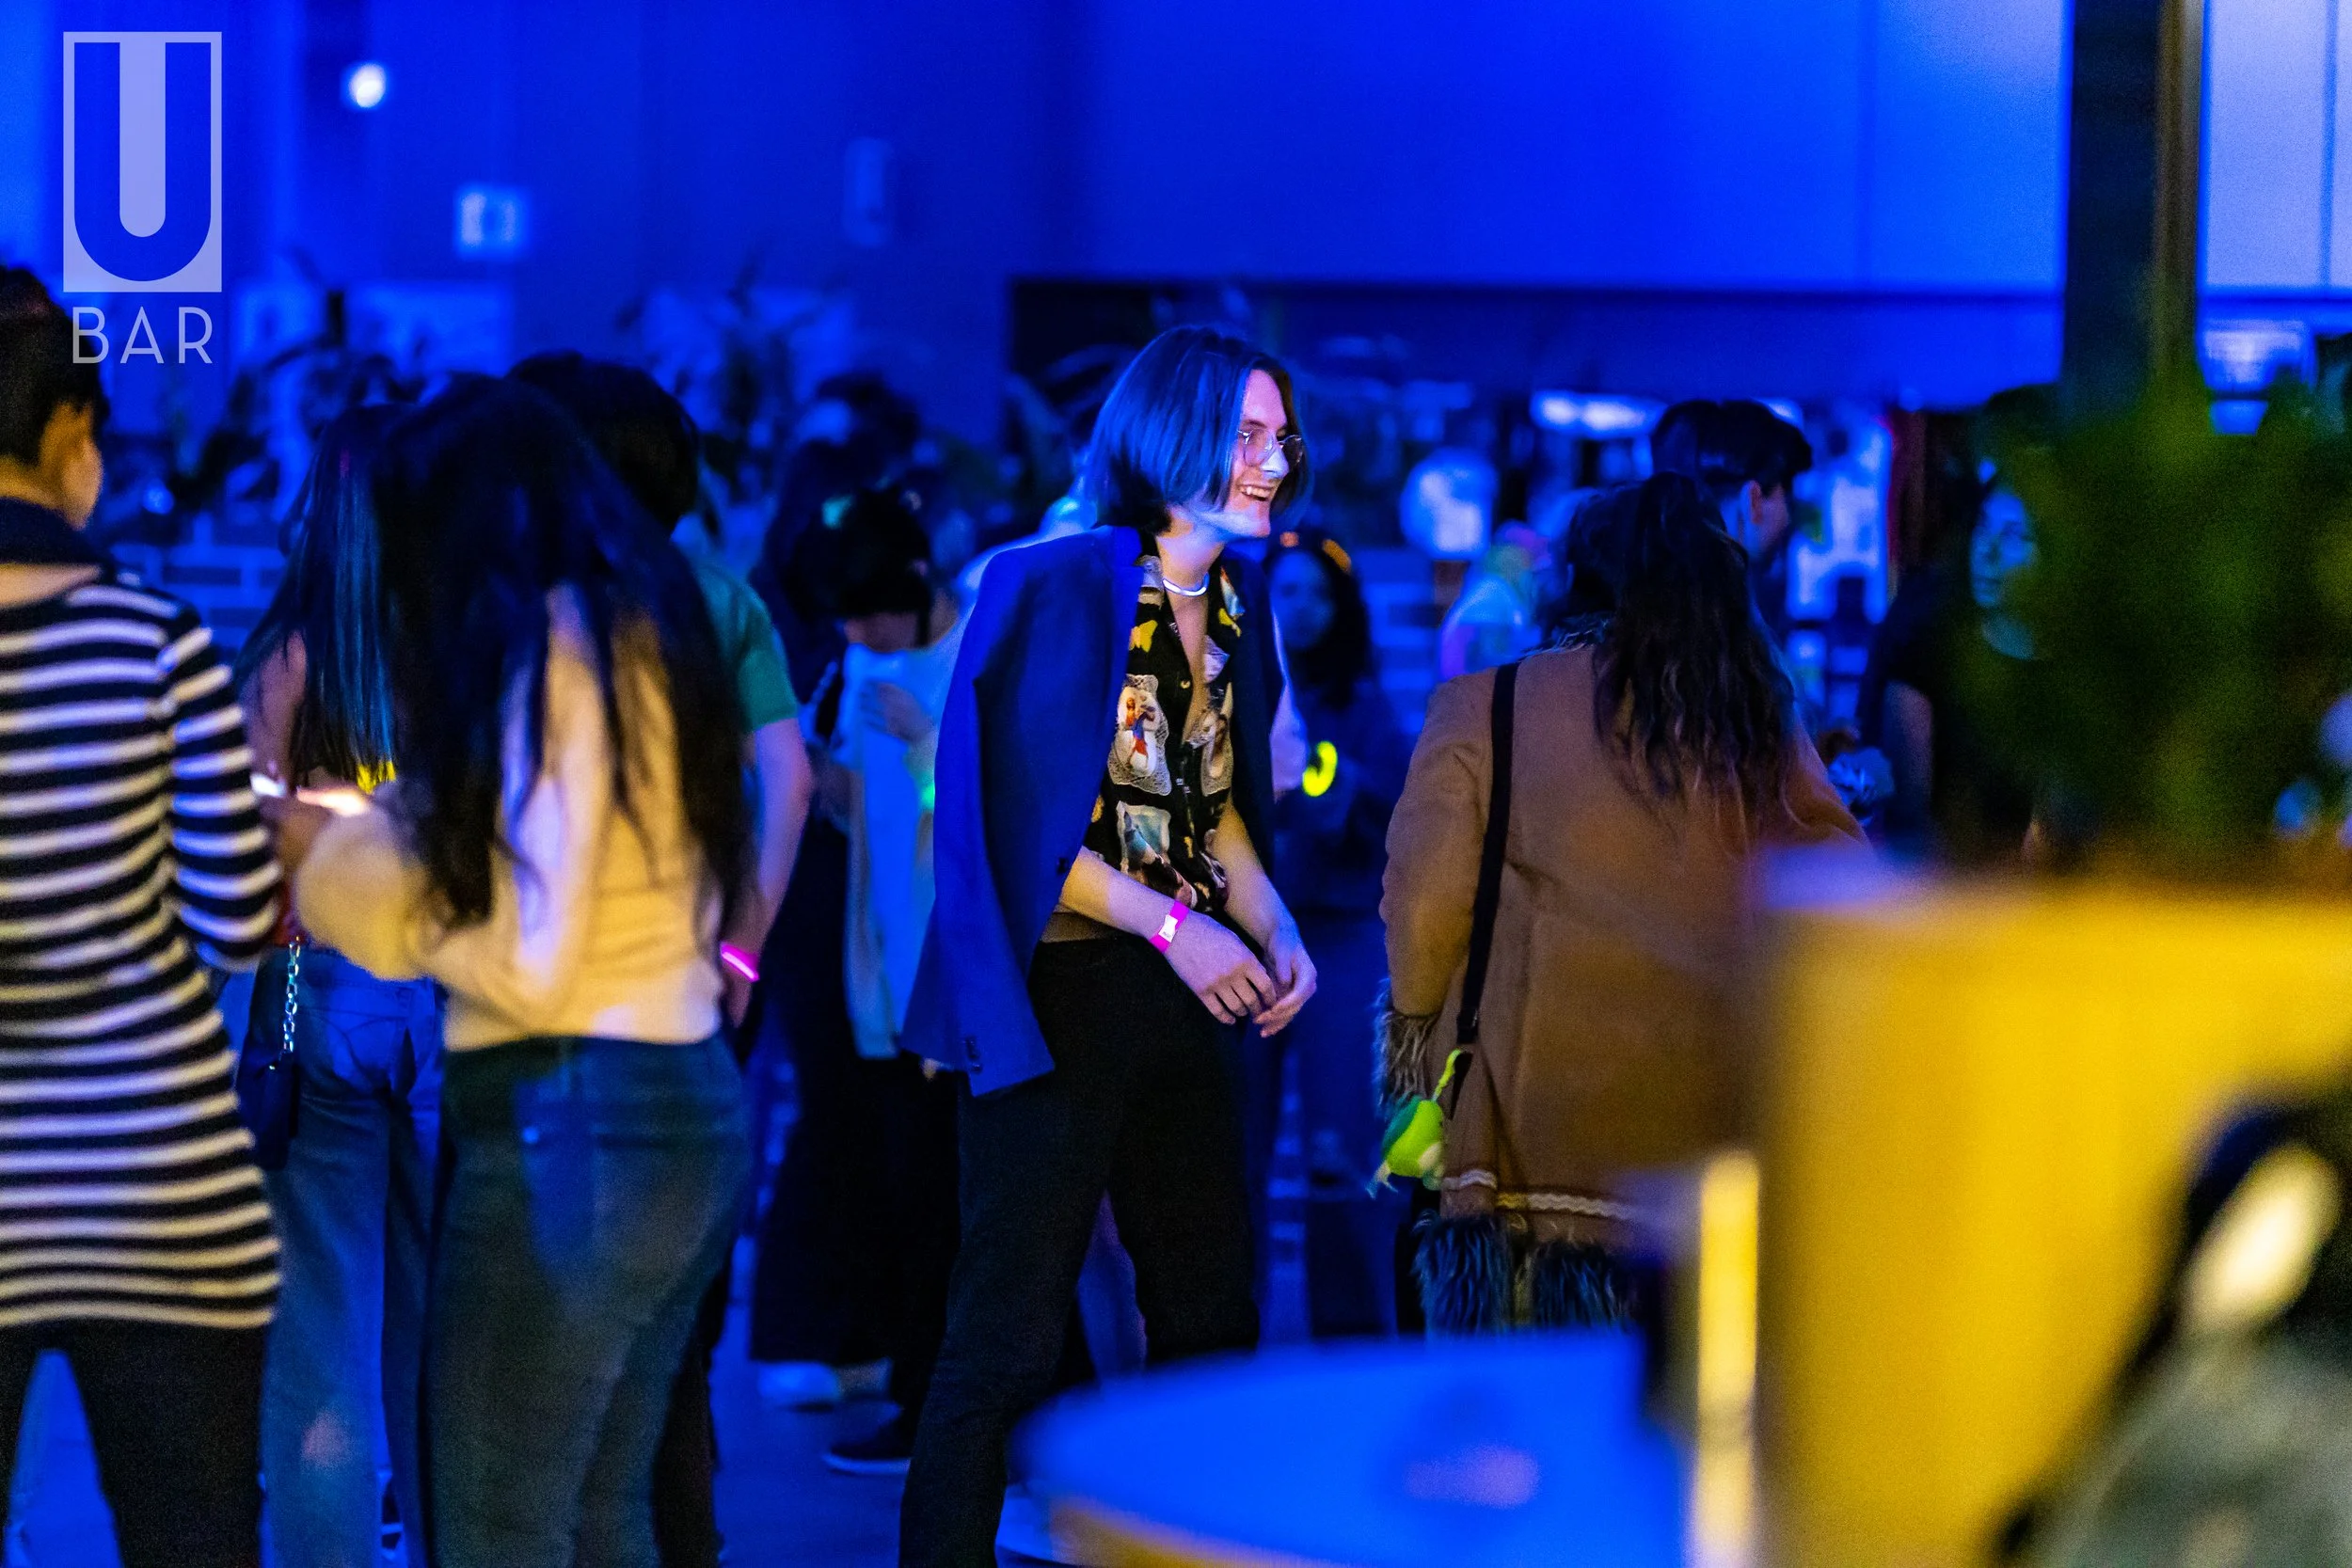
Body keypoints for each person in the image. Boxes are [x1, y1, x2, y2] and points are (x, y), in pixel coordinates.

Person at [284, 377, 754, 1568]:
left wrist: (330, 859)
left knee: (500, 1522)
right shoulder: (649, 631)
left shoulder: (554, 657)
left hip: (567, 1113)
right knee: (598, 1511)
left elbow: (525, 954)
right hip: (672, 1102)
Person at [899, 325, 1319, 1566]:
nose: (1273, 461)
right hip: (1062, 988)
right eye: (1247, 434)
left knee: (1210, 1313)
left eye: (1279, 436)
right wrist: (1181, 922)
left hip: (1181, 990)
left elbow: (1210, 798)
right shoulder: (1057, 577)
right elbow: (1018, 826)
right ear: (1173, 429)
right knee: (1005, 1330)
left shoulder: (1234, 601)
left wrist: (1274, 922)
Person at [1381, 473, 1862, 1333]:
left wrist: (1416, 1045)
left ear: (1580, 577)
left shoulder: (1487, 706)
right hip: (1704, 1135)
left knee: (1517, 1425)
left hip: (1524, 1147)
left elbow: (1422, 912)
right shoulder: (1756, 724)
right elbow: (1843, 892)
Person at [506, 352, 811, 1567]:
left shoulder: (522, 597)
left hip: (548, 1014)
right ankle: (682, 1537)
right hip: (691, 994)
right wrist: (744, 941)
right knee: (673, 1320)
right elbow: (787, 779)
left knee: (541, 1324)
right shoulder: (720, 597)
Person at [0, 268, 282, 1565]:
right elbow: (238, 916)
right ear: (65, 436)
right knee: (193, 1537)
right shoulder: (156, 642)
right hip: (156, 1187)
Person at [231, 404, 440, 1568]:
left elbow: (242, 856)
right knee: (438, 1324)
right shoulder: (476, 643)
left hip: (321, 992)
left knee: (321, 1325)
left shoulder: (295, 654)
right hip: (459, 996)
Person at [779, 486, 967, 1474]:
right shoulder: (859, 661)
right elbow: (859, 810)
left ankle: (940, 1404)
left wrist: (931, 741)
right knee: (902, 1196)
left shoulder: (974, 644)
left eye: (865, 610)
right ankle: (911, 1389)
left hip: (953, 981)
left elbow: (1004, 803)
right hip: (881, 976)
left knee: (947, 1204)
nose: (855, 632)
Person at [1260, 529, 1413, 1337]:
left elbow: (1359, 811)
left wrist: (1315, 767)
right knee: (1227, 1153)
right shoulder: (1229, 683)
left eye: (1316, 593)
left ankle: (1346, 1344)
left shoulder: (1367, 709)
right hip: (1243, 940)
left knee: (1340, 1151)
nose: (1300, 609)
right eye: (1286, 591)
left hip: (1341, 939)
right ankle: (1212, 1347)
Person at [1649, 398, 1815, 645]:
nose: (1790, 519)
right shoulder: (1724, 629)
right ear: (1753, 501)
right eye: (1787, 496)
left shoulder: (1646, 603)